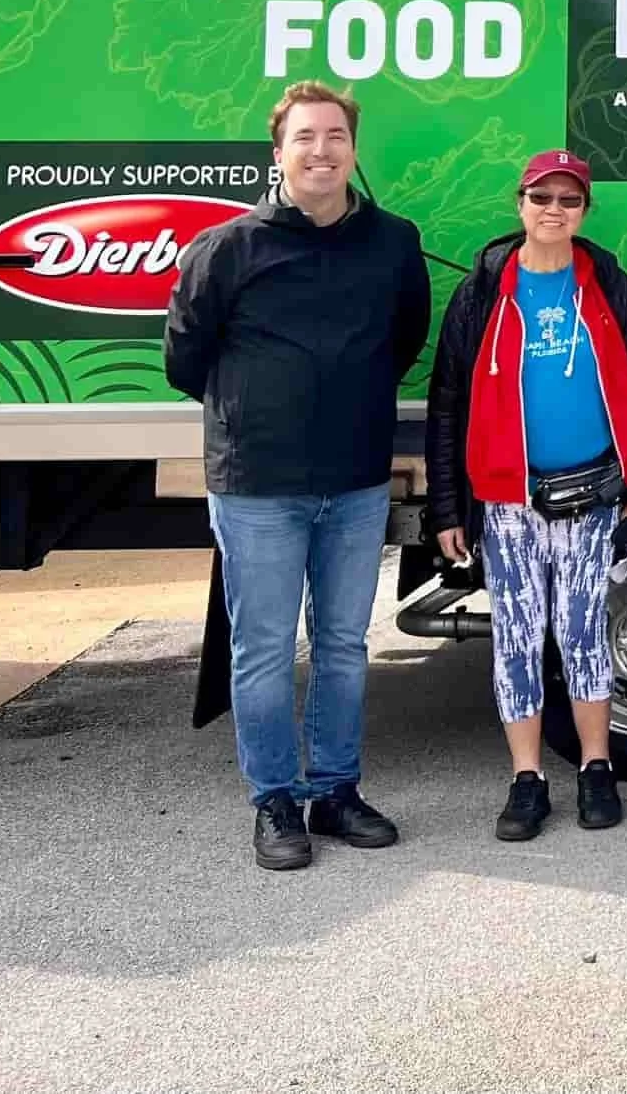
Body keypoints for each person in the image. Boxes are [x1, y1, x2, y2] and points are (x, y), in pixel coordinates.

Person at [164, 80, 431, 872]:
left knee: (346, 644)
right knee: (265, 648)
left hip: (354, 479)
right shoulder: (226, 249)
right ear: (278, 152)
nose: (322, 150)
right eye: (305, 137)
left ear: (354, 149)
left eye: (336, 136)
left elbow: (405, 338)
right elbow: (186, 360)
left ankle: (337, 790)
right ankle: (275, 800)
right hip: (257, 486)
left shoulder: (392, 241)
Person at [423, 149, 627, 843]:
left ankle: (597, 767)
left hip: (592, 496)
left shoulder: (605, 284)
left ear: (584, 211)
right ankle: (527, 777)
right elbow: (448, 400)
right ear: (521, 203)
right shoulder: (484, 291)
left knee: (584, 630)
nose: (553, 211)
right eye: (541, 198)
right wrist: (446, 507)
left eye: (568, 200)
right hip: (507, 502)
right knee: (516, 637)